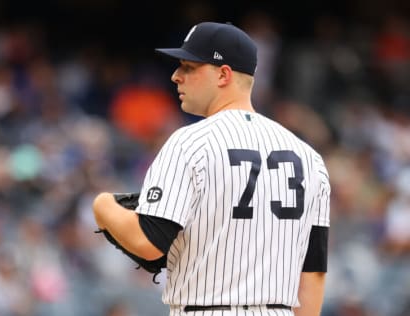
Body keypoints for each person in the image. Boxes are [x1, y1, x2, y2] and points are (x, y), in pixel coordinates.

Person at [93, 21, 330, 316]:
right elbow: (313, 271)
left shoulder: (190, 142)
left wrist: (104, 207)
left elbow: (148, 242)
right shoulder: (309, 158)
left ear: (223, 74)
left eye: (188, 67)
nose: (175, 76)